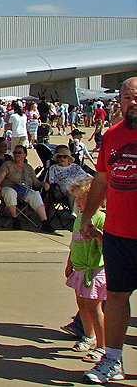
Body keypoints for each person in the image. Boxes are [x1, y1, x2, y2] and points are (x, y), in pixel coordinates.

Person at [80, 77, 137, 384]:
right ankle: (112, 360)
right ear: (120, 102)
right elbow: (101, 181)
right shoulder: (112, 137)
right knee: (115, 296)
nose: (133, 103)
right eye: (127, 98)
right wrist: (87, 217)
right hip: (119, 233)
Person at [64, 178, 107, 364]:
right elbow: (74, 243)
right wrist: (69, 264)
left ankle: (102, 346)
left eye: (83, 198)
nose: (79, 203)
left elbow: (108, 244)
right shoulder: (79, 219)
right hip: (79, 269)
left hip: (95, 269)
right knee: (81, 304)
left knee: (94, 307)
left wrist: (96, 234)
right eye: (77, 199)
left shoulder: (102, 218)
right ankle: (88, 336)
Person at [0, 144, 53, 232]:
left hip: (22, 190)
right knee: (10, 192)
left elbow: (35, 182)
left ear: (25, 155)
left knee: (35, 194)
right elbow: (0, 177)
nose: (17, 154)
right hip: (8, 188)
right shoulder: (8, 165)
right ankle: (15, 219)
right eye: (15, 152)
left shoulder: (28, 168)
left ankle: (45, 222)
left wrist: (43, 183)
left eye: (19, 153)